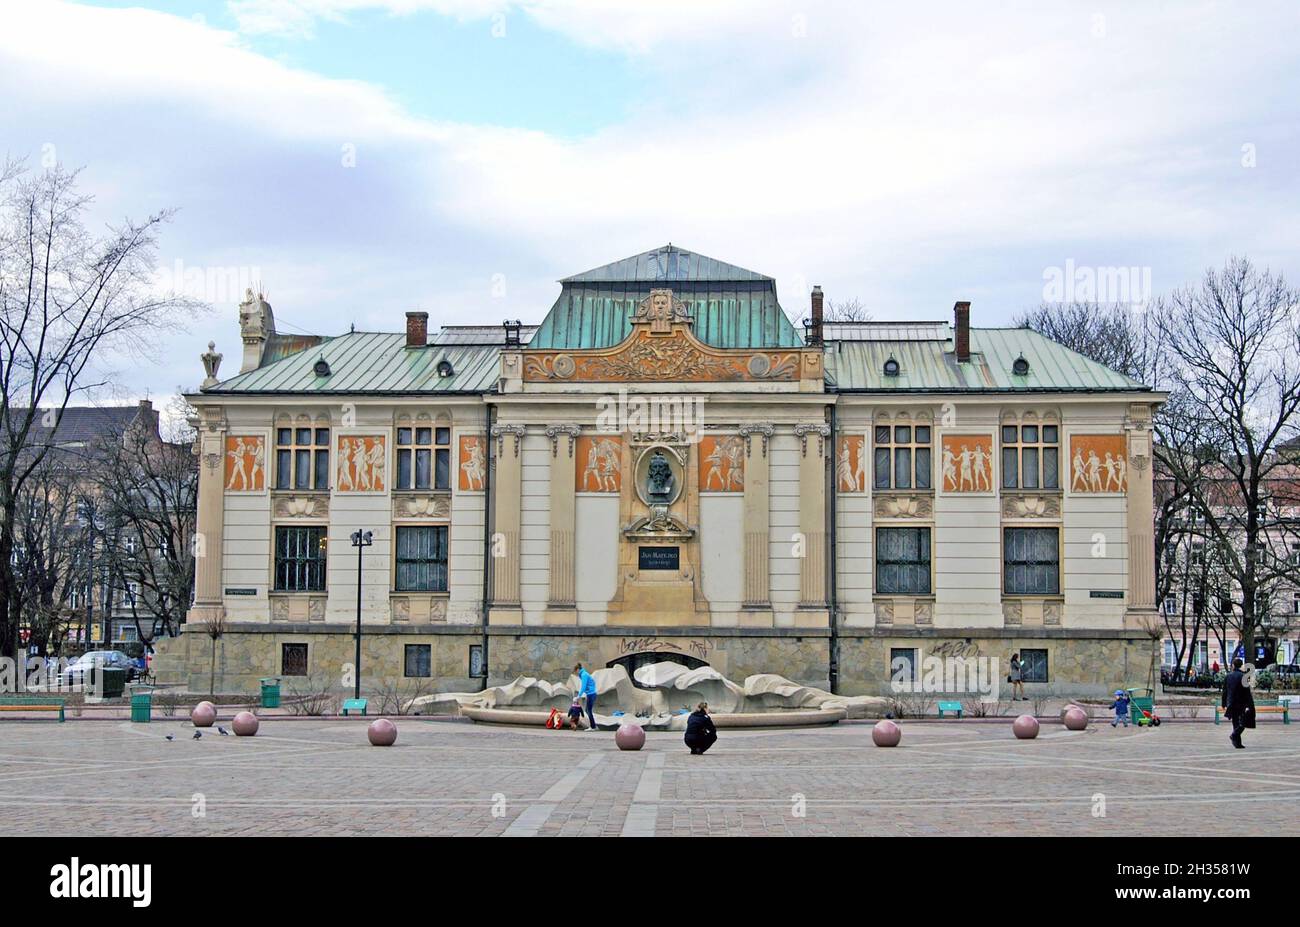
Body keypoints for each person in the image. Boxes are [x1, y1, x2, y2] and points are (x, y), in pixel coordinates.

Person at [1222, 658, 1256, 749]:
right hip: (1241, 703)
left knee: (1235, 722)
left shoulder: (1228, 676)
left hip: (1231, 702)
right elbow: (1247, 692)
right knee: (1243, 723)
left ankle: (1237, 742)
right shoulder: (1243, 676)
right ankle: (1235, 736)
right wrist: (1250, 704)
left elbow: (1225, 691)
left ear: (1233, 665)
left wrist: (1224, 703)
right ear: (1241, 665)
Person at [573, 663, 598, 731]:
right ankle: (594, 726)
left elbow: (583, 687)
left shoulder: (584, 675)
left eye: (576, 672)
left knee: (588, 710)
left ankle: (593, 727)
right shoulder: (584, 674)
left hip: (591, 694)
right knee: (588, 710)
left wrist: (578, 696)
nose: (576, 673)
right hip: (590, 694)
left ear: (578, 669)